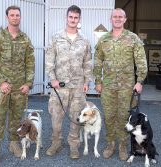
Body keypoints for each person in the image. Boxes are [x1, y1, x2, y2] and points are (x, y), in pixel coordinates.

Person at [93, 8, 148, 161]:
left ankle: (123, 146)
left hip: (127, 87)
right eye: (115, 16)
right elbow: (97, 61)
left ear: (125, 19)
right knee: (109, 117)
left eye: (120, 17)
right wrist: (98, 81)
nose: (117, 19)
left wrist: (140, 81)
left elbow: (141, 61)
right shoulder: (103, 39)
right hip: (108, 87)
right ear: (111, 19)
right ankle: (110, 144)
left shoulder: (133, 38)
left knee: (125, 117)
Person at [0, 5, 35, 166]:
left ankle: (14, 143)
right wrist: (1, 82)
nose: (15, 17)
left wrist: (28, 84)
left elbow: (30, 63)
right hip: (3, 88)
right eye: (12, 15)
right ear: (7, 17)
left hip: (19, 89)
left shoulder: (25, 39)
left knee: (15, 119)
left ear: (20, 18)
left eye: (17, 15)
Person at [45, 5, 92, 159]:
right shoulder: (56, 37)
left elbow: (88, 62)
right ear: (66, 18)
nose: (73, 20)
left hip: (78, 87)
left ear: (79, 19)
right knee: (56, 118)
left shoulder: (84, 40)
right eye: (70, 17)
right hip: (60, 87)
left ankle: (74, 145)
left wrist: (87, 81)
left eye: (76, 17)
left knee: (76, 117)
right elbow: (49, 60)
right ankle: (56, 142)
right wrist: (52, 79)